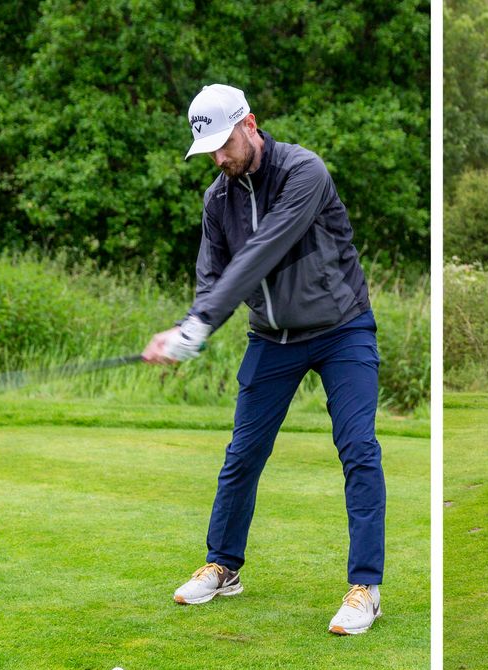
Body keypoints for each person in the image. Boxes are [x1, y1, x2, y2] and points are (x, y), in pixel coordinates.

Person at [142, 84, 386, 635]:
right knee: (243, 453)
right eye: (210, 152)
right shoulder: (218, 199)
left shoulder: (305, 173)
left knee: (358, 448)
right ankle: (223, 566)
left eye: (225, 144)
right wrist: (191, 329)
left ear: (249, 124)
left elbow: (261, 253)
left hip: (341, 329)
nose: (220, 160)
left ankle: (365, 587)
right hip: (271, 338)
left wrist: (199, 323)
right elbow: (213, 275)